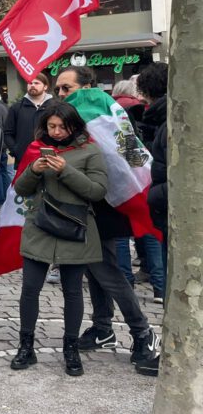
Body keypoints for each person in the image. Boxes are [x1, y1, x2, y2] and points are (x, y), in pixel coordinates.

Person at [53, 67, 161, 367]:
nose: (61, 94)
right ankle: (103, 328)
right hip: (89, 208)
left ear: (87, 87)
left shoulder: (105, 118)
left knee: (107, 273)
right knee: (96, 272)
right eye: (58, 89)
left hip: (106, 207)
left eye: (67, 88)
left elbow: (132, 157)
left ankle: (143, 335)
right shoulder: (100, 118)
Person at [9, 102, 108, 376]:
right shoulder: (37, 148)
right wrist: (35, 170)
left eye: (62, 127)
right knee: (30, 288)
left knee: (73, 291)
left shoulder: (90, 150)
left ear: (73, 125)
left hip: (74, 228)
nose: (56, 132)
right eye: (51, 126)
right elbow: (21, 188)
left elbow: (97, 191)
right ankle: (26, 347)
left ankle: (71, 348)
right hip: (40, 227)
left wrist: (65, 169)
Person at [136, 63, 168, 305]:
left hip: (156, 197)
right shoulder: (153, 115)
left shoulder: (162, 119)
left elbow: (134, 156)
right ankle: (161, 287)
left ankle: (162, 287)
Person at [3, 72, 53, 166]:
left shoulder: (55, 107)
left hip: (50, 160)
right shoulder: (16, 108)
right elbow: (8, 133)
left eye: (36, 83)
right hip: (24, 160)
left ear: (45, 87)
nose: (32, 85)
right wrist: (16, 150)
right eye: (30, 83)